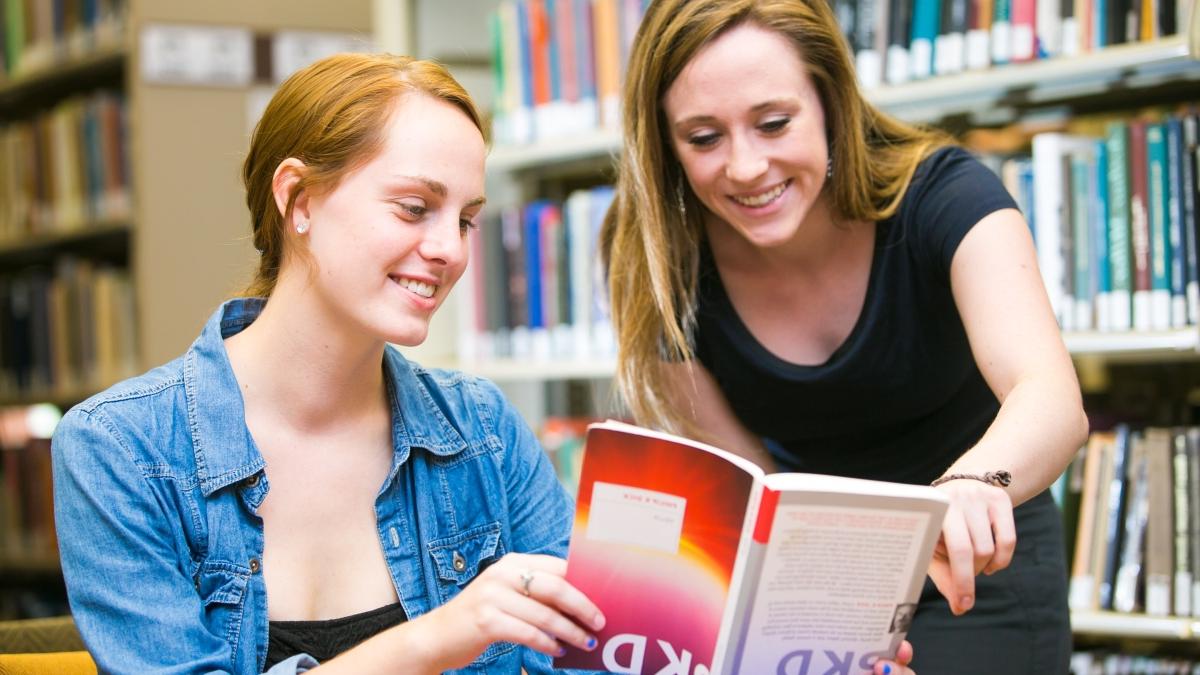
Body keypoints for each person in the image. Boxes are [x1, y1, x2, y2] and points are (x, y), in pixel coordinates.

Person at [50, 53, 609, 675]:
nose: (450, 250)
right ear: (299, 199)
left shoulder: (484, 431)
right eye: (414, 207)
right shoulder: (120, 449)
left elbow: (593, 653)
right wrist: (438, 638)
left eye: (467, 220)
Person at [601, 2, 1089, 675]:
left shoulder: (945, 197)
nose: (745, 166)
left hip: (975, 558)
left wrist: (971, 485)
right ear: (663, 142)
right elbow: (748, 487)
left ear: (830, 100)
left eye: (774, 124)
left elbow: (1052, 396)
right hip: (814, 572)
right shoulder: (657, 255)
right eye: (703, 138)